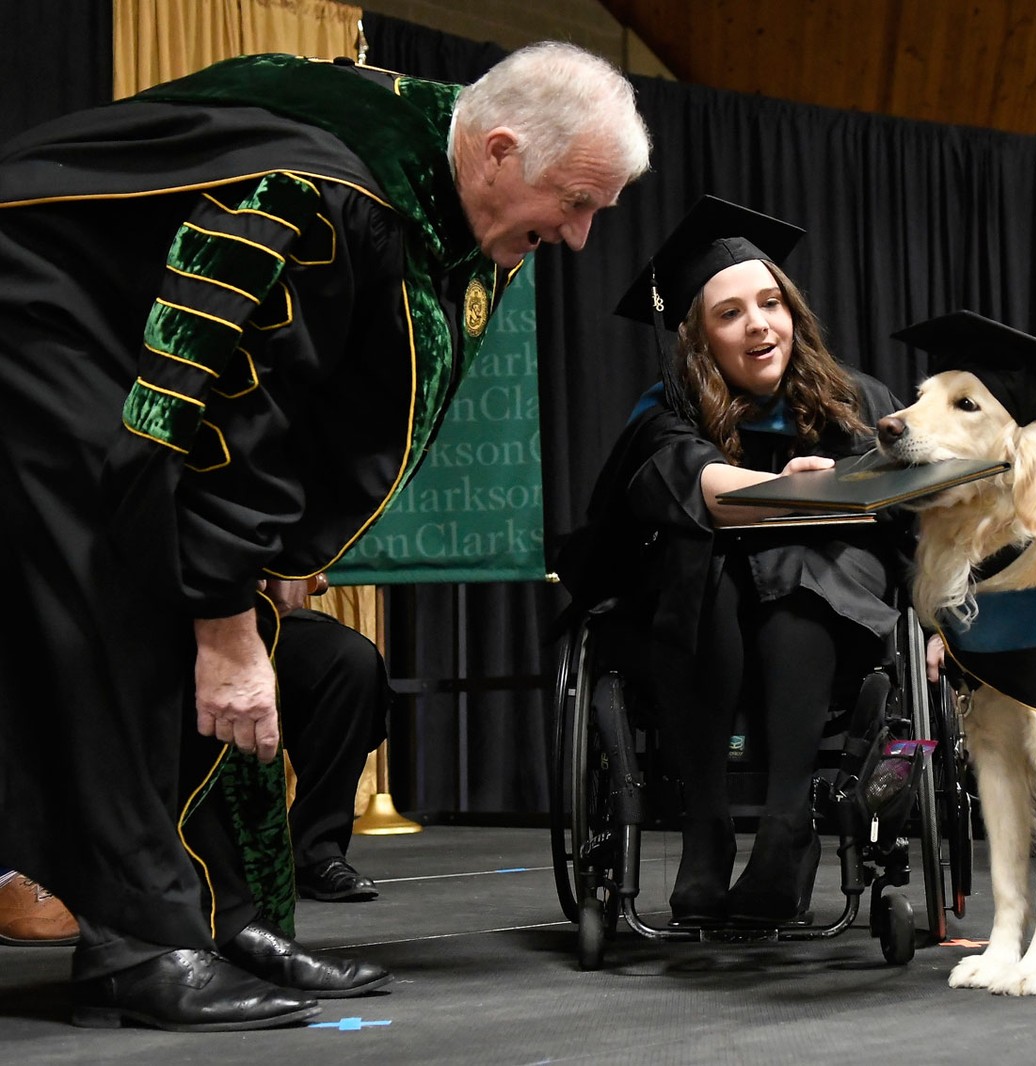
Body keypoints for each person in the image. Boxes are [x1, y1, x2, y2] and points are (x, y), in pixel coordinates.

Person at [0, 43, 651, 1032]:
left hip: (104, 339)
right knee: (124, 600)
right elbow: (218, 410)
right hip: (34, 322)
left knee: (206, 600)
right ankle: (137, 941)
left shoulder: (437, 150)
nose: (579, 237)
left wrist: (264, 567)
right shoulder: (326, 200)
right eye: (572, 202)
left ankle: (218, 915)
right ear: (500, 151)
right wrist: (224, 624)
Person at [560, 196, 909, 926]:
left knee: (801, 573)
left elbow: (915, 519)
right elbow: (701, 489)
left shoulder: (857, 403)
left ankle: (787, 829)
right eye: (730, 314)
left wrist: (934, 626)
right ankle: (707, 826)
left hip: (830, 624)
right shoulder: (667, 413)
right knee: (701, 567)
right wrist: (797, 494)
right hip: (696, 633)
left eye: (771, 302)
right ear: (698, 338)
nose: (758, 323)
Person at [262, 575, 389, 904]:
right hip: (167, 618)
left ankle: (315, 851)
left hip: (258, 614)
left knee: (348, 660)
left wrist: (289, 571)